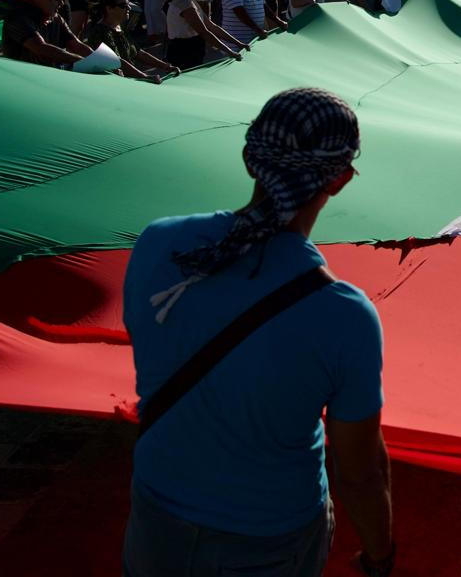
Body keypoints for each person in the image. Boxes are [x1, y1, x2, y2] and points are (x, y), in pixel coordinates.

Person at [123, 89, 393, 577]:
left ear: (250, 161)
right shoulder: (344, 314)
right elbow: (359, 473)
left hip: (155, 518)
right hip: (270, 540)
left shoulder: (159, 244)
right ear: (341, 179)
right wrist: (381, 554)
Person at [85, 0, 179, 83]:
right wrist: (144, 77)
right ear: (109, 8)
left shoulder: (120, 27)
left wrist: (166, 66)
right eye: (123, 6)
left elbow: (138, 53)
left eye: (128, 4)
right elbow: (118, 62)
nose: (129, 8)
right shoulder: (100, 32)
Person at [2, 0, 94, 69]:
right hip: (19, 78)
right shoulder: (18, 17)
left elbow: (77, 45)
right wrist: (83, 61)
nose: (62, 3)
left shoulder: (56, 18)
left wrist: (99, 61)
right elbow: (41, 48)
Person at [166, 0, 248, 69]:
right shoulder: (183, 2)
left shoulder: (189, 1)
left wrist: (239, 43)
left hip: (191, 52)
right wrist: (230, 51)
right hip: (183, 53)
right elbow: (204, 32)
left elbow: (212, 26)